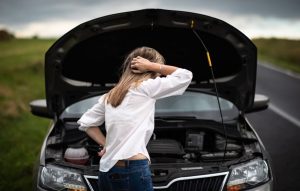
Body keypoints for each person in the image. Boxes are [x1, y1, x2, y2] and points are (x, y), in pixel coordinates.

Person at [77, 47, 193, 191]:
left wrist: (107, 145)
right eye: (157, 70)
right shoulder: (146, 88)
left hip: (108, 170)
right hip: (132, 169)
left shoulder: (110, 95)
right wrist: (151, 65)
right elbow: (185, 75)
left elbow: (86, 123)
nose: (159, 75)